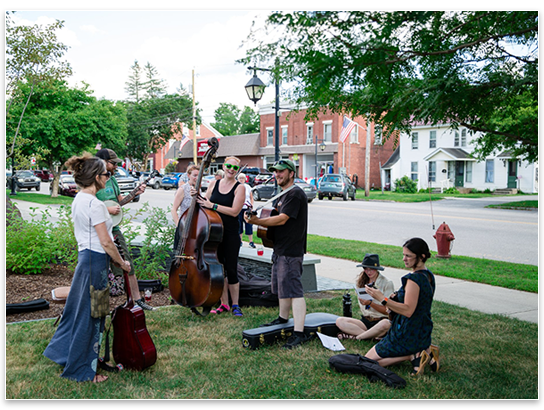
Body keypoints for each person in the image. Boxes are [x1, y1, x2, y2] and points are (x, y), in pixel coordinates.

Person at [44, 153, 131, 383]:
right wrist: (122, 263)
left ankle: (75, 356)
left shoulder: (79, 199)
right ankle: (83, 371)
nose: (108, 177)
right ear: (96, 177)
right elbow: (105, 242)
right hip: (96, 264)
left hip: (86, 261)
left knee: (80, 312)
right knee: (93, 316)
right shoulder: (95, 204)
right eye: (106, 174)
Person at [245, 159, 309, 349]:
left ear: (291, 173)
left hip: (291, 250)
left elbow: (282, 219)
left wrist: (257, 222)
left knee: (294, 291)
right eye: (275, 172)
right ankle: (282, 319)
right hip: (281, 248)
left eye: (281, 172)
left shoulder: (295, 194)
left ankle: (299, 333)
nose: (277, 175)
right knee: (283, 287)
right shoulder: (282, 194)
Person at [364, 238, 440, 376]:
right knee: (370, 362)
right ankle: (426, 350)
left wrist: (382, 298)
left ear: (421, 256)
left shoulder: (414, 279)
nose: (404, 259)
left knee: (367, 362)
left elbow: (408, 310)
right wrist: (395, 300)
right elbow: (418, 304)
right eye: (404, 255)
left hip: (406, 333)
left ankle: (413, 355)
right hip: (422, 331)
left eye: (408, 256)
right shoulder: (428, 275)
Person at [94, 148, 152, 310]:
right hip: (98, 231)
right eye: (113, 163)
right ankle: (98, 305)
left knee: (127, 262)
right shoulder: (92, 180)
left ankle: (137, 300)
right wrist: (107, 210)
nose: (115, 166)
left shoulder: (111, 180)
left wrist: (135, 193)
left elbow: (119, 201)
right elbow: (89, 207)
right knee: (98, 268)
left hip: (114, 229)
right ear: (103, 162)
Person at [197, 157, 246, 317]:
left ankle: (236, 305)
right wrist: (196, 196)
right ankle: (224, 303)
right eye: (229, 166)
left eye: (235, 167)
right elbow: (205, 202)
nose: (231, 169)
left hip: (231, 234)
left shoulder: (240, 188)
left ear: (237, 170)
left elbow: (234, 211)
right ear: (224, 166)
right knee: (218, 269)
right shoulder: (214, 184)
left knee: (231, 269)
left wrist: (214, 206)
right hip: (214, 233)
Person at [336, 253, 395, 340]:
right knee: (340, 321)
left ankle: (358, 337)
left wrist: (371, 303)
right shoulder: (361, 281)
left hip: (380, 321)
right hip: (365, 320)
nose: (368, 272)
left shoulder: (387, 283)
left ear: (377, 269)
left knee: (386, 324)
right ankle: (371, 337)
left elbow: (388, 311)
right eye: (366, 269)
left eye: (371, 269)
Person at [171, 164, 199, 251]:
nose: (197, 178)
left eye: (199, 175)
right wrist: (179, 226)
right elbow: (173, 209)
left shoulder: (198, 189)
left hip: (194, 228)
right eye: (194, 175)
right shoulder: (183, 189)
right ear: (188, 175)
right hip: (184, 227)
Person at [237, 173, 256, 248]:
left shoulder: (248, 187)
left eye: (243, 178)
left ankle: (251, 241)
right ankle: (240, 241)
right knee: (239, 225)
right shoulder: (237, 186)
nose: (241, 179)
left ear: (245, 179)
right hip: (239, 208)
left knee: (249, 224)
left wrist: (251, 205)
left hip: (247, 208)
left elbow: (251, 197)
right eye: (240, 178)